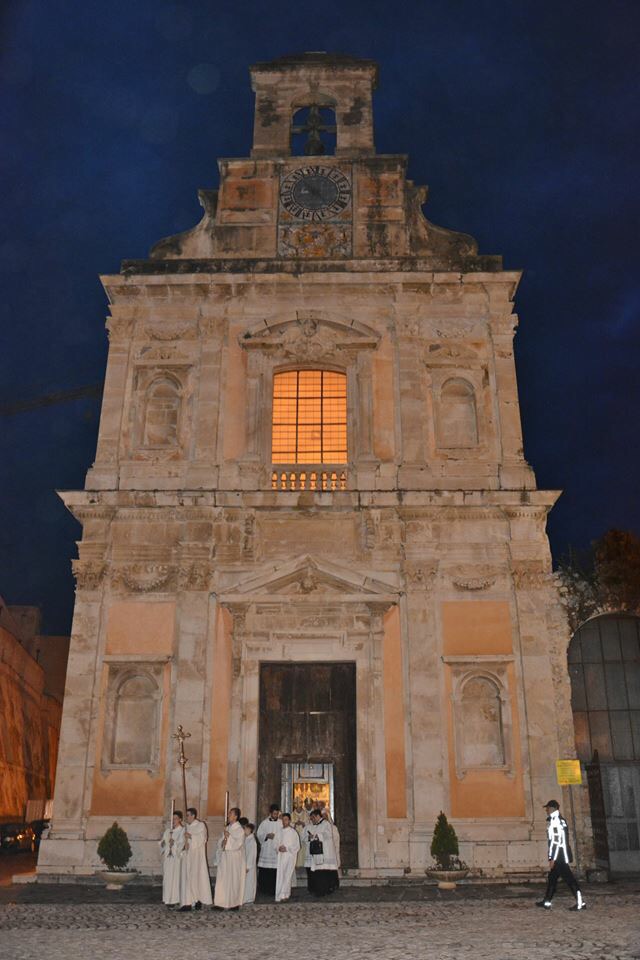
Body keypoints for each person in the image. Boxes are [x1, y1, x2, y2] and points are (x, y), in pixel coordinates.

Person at [536, 800, 585, 911]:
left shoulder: (555, 821)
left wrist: (552, 858)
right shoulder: (559, 820)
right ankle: (547, 901)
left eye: (547, 808)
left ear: (552, 808)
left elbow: (556, 842)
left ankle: (580, 903)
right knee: (552, 878)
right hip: (560, 854)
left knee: (570, 880)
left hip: (559, 856)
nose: (546, 810)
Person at [179, 807, 213, 911]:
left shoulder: (200, 825)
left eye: (188, 815)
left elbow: (202, 838)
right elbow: (181, 841)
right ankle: (187, 903)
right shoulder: (186, 827)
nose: (186, 817)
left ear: (193, 816)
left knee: (197, 878)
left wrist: (190, 836)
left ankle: (198, 900)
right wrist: (183, 845)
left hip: (197, 858)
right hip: (187, 857)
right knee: (187, 879)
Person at [213, 806, 245, 910]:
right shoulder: (227, 828)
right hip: (225, 857)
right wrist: (222, 842)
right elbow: (220, 842)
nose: (228, 815)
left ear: (235, 816)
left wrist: (229, 837)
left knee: (233, 880)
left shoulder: (239, 830)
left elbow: (238, 844)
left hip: (234, 858)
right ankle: (220, 903)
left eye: (230, 814)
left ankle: (233, 903)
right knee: (222, 879)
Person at [306, 809, 339, 896]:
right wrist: (312, 837)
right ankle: (320, 890)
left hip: (326, 852)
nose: (312, 820)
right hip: (318, 853)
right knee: (319, 872)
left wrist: (317, 836)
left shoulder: (326, 824)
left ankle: (323, 891)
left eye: (313, 818)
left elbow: (328, 834)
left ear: (318, 816)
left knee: (323, 872)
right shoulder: (316, 825)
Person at [159, 810, 185, 907]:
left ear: (180, 819)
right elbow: (162, 844)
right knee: (168, 878)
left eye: (176, 819)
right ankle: (168, 899)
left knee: (176, 878)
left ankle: (175, 899)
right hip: (168, 859)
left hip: (176, 859)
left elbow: (182, 844)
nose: (173, 821)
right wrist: (163, 843)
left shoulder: (183, 831)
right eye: (172, 819)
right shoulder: (168, 831)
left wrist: (174, 843)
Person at [257, 803, 283, 895]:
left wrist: (278, 838)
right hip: (267, 850)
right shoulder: (264, 823)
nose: (276, 815)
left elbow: (284, 834)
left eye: (277, 814)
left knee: (275, 871)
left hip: (276, 850)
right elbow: (259, 835)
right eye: (274, 814)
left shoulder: (281, 823)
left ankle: (274, 890)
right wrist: (267, 836)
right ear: (270, 813)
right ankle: (264, 889)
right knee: (265, 871)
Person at [275, 813, 300, 902]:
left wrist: (287, 849)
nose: (284, 821)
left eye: (285, 819)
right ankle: (280, 894)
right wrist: (278, 848)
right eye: (283, 820)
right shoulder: (279, 832)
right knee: (281, 875)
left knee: (287, 875)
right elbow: (275, 843)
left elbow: (297, 846)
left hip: (289, 856)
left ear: (289, 821)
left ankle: (285, 894)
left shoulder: (293, 832)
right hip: (281, 856)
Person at [242, 821, 257, 905]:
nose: (244, 830)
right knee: (246, 882)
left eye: (246, 829)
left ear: (250, 830)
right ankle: (245, 898)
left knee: (249, 882)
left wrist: (248, 866)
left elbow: (252, 854)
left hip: (249, 866)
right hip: (245, 864)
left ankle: (249, 898)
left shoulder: (252, 841)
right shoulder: (246, 839)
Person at [292, 799, 309, 869]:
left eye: (299, 807)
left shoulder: (306, 814)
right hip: (295, 835)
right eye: (297, 807)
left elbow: (309, 824)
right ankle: (296, 864)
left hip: (303, 835)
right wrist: (295, 824)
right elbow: (290, 824)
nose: (298, 809)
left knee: (303, 849)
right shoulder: (292, 814)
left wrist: (303, 823)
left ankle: (304, 864)